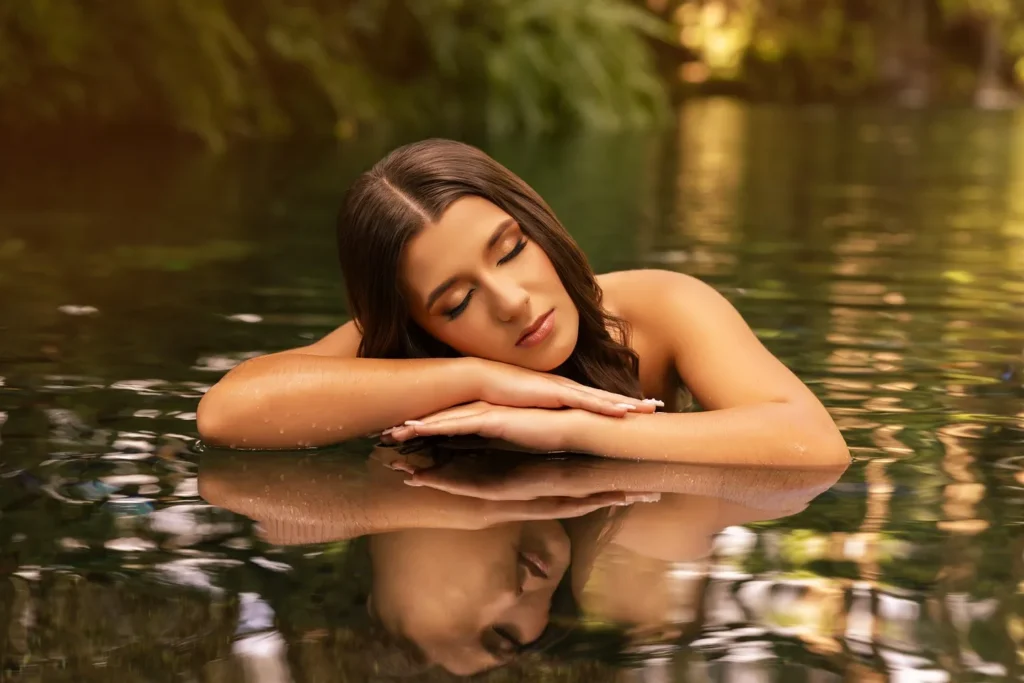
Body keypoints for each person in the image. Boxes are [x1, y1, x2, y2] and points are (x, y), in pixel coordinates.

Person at [196, 138, 849, 469]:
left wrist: (572, 427)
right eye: (456, 303)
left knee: (637, 582)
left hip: (627, 526)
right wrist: (482, 379)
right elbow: (226, 413)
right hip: (466, 524)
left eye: (509, 250)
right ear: (418, 323)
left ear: (535, 223)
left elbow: (813, 443)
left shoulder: (659, 309)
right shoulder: (405, 346)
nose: (511, 301)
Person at [199, 446, 844, 676]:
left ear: (376, 601)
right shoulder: (643, 525)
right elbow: (803, 472)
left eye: (457, 629)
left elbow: (226, 455)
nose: (513, 600)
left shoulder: (388, 389)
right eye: (511, 641)